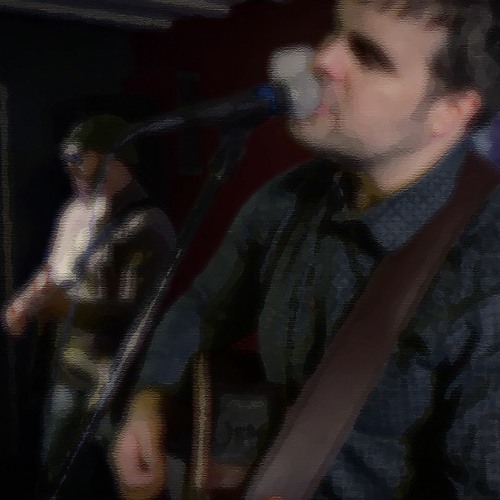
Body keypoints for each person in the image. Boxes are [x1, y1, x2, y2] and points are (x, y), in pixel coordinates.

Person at [111, 0, 500, 498]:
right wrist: (151, 399)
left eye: (369, 55)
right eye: (336, 32)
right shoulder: (289, 197)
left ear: (450, 111)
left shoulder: (486, 268)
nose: (322, 59)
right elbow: (205, 305)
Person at [3, 114, 176, 498]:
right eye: (69, 161)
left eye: (81, 159)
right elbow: (53, 271)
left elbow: (136, 313)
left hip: (118, 379)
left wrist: (62, 306)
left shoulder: (149, 224)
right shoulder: (74, 213)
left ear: (116, 159)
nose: (72, 169)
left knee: (132, 481)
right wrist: (25, 301)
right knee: (58, 475)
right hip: (69, 372)